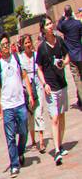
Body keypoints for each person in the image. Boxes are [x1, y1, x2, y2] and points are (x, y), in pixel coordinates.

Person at [0, 33, 34, 177]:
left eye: (7, 44)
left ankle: (20, 152)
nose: (6, 47)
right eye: (2, 45)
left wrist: (31, 95)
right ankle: (14, 164)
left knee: (24, 131)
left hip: (20, 102)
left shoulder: (16, 58)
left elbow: (24, 76)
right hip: (7, 106)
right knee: (10, 137)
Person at [36, 16, 70, 166]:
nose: (50, 26)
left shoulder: (59, 41)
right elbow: (39, 68)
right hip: (51, 87)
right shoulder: (42, 48)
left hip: (62, 83)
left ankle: (60, 145)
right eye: (47, 24)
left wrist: (64, 63)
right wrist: (44, 84)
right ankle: (56, 150)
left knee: (61, 116)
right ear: (43, 29)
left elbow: (67, 56)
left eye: (51, 23)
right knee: (54, 118)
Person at [20, 34, 42, 154]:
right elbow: (22, 76)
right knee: (30, 116)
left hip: (37, 86)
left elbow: (40, 69)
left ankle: (41, 140)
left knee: (39, 113)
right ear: (22, 46)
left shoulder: (36, 55)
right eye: (26, 43)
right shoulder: (20, 58)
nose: (28, 45)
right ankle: (33, 140)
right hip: (27, 89)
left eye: (29, 42)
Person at [58, 6, 82, 110]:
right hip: (80, 52)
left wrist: (62, 17)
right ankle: (79, 99)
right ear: (72, 12)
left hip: (71, 55)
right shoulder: (78, 24)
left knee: (77, 79)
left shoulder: (64, 25)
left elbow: (58, 26)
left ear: (65, 13)